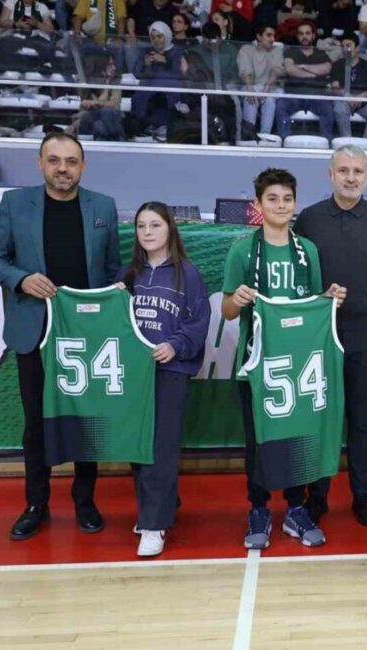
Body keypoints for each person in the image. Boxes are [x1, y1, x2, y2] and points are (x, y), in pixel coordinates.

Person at [0, 133, 121, 541]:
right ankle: (36, 504)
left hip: (86, 333)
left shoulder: (103, 206)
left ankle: (85, 501)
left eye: (71, 161)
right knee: (36, 423)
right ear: (41, 163)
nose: (63, 168)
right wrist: (21, 279)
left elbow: (112, 267)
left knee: (86, 421)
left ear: (83, 166)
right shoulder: (15, 204)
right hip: (34, 329)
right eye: (55, 160)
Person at [223, 168, 347, 549]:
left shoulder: (307, 250)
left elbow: (314, 305)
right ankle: (259, 508)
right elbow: (227, 310)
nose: (281, 205)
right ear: (258, 204)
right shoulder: (243, 250)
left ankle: (296, 508)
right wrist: (236, 299)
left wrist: (330, 298)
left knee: (298, 436)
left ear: (295, 203)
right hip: (258, 363)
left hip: (299, 364)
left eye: (287, 199)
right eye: (272, 199)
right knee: (259, 440)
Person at [293, 146, 367, 527]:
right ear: (330, 175)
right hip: (320, 330)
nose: (351, 177)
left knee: (361, 418)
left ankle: (361, 494)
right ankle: (317, 495)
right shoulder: (309, 219)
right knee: (320, 417)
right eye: (344, 170)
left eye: (358, 171)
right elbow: (298, 277)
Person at [119, 202, 210, 557]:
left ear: (170, 228)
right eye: (141, 226)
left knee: (161, 448)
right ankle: (158, 507)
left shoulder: (188, 275)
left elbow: (199, 321)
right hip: (133, 375)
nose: (147, 232)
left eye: (155, 225)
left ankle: (154, 524)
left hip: (170, 373)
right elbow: (113, 320)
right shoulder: (128, 275)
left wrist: (175, 345)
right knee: (137, 446)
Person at [276, 20, 335, 140]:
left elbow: (326, 69)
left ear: (313, 36)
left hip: (317, 95)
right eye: (301, 33)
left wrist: (303, 67)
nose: (304, 36)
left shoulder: (321, 54)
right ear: (297, 36)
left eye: (307, 33)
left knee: (328, 110)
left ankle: (326, 144)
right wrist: (314, 74)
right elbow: (290, 69)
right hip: (294, 94)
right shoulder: (291, 51)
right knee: (281, 107)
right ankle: (284, 141)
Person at [330, 31, 367, 140]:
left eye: (348, 45)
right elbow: (335, 88)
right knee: (339, 109)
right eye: (343, 46)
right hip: (344, 101)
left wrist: (361, 97)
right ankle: (347, 142)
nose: (346, 49)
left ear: (357, 48)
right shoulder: (337, 65)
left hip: (363, 102)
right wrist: (346, 95)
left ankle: (366, 143)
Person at [237, 23, 284, 136]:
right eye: (268, 35)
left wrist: (266, 89)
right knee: (250, 98)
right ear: (259, 36)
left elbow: (276, 70)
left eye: (273, 36)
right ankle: (249, 134)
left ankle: (265, 136)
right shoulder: (246, 50)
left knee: (269, 99)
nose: (272, 39)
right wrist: (251, 89)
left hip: (271, 88)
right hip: (251, 86)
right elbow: (245, 71)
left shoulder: (276, 50)